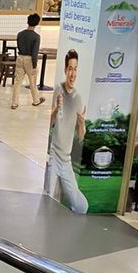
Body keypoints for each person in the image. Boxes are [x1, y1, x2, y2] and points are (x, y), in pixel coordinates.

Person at [45, 50, 89, 214]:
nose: (72, 73)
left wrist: (82, 123)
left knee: (82, 207)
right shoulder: (58, 89)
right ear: (65, 70)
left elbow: (81, 135)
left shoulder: (78, 98)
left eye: (75, 69)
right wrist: (56, 108)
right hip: (54, 155)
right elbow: (50, 123)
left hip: (66, 160)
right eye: (70, 68)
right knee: (47, 197)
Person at [12, 13, 45, 109]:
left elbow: (19, 46)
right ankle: (36, 100)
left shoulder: (20, 34)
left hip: (20, 57)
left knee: (17, 81)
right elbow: (34, 53)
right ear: (37, 23)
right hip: (29, 60)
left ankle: (14, 103)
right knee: (32, 81)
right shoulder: (36, 37)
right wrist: (34, 66)